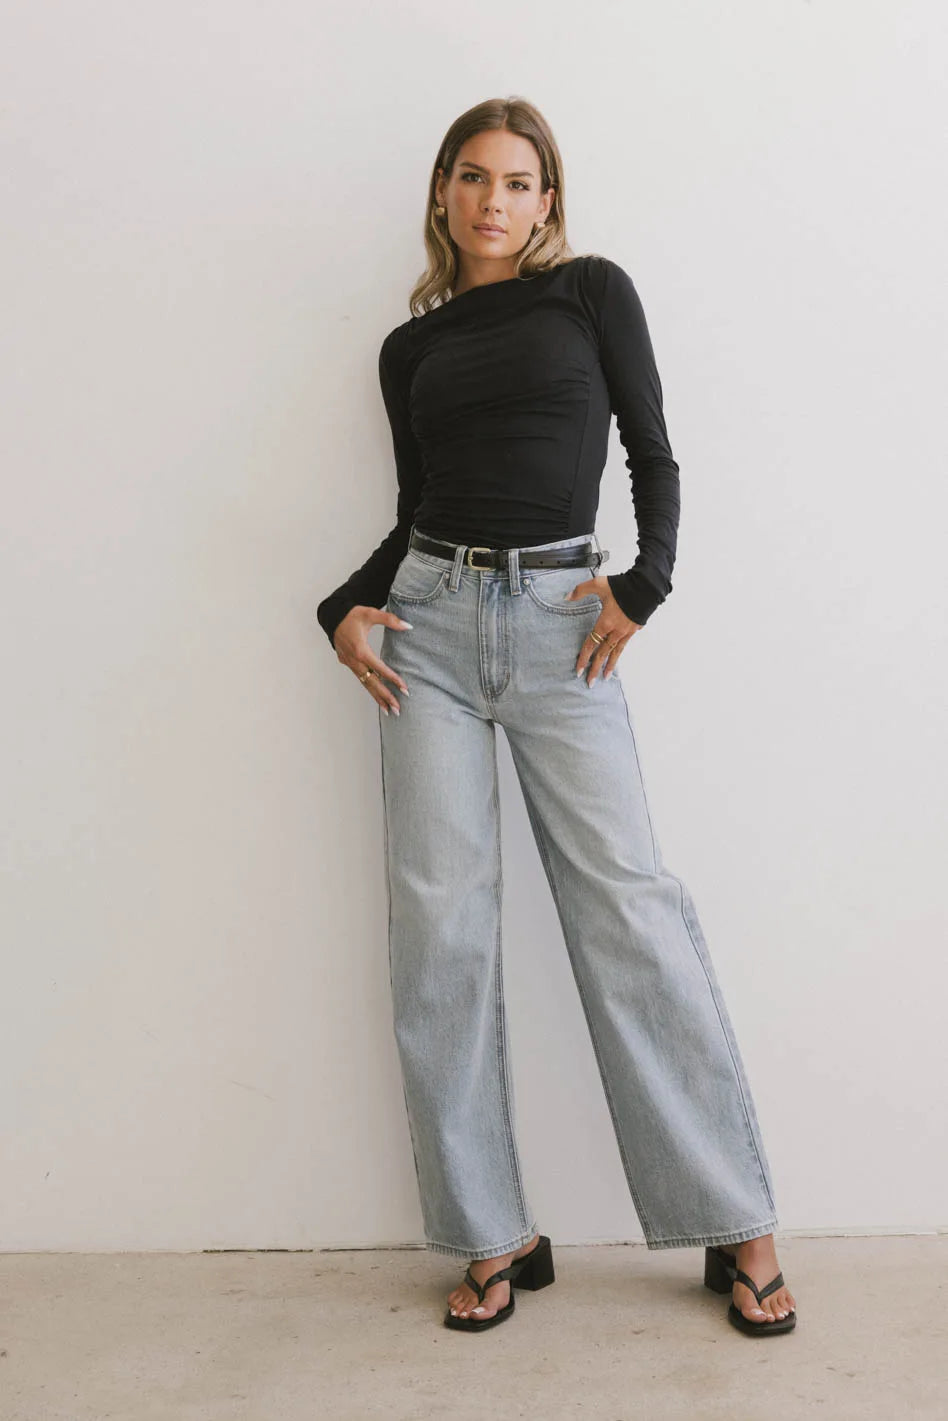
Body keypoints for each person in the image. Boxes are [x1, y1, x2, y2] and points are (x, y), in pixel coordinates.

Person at [316, 96, 798, 1338]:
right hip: (427, 626)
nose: (496, 200)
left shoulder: (590, 293)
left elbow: (653, 451)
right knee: (441, 928)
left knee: (628, 906)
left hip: (560, 621)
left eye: (520, 182)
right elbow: (418, 507)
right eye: (474, 177)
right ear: (442, 192)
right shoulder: (408, 349)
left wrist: (646, 582)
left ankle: (735, 1215)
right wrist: (340, 608)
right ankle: (493, 1234)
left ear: (548, 201)